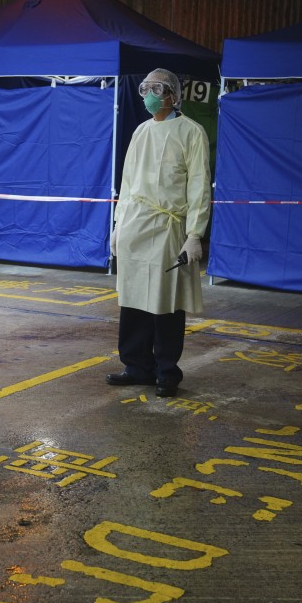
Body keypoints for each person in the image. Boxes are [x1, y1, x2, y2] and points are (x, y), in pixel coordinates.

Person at [106, 68, 211, 398]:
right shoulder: (140, 132)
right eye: (146, 88)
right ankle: (136, 365)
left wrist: (194, 233)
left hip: (167, 227)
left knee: (165, 300)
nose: (150, 94)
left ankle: (166, 370)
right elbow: (127, 181)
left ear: (174, 95)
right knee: (134, 297)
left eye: (158, 88)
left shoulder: (191, 132)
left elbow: (198, 186)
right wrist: (118, 224)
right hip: (135, 224)